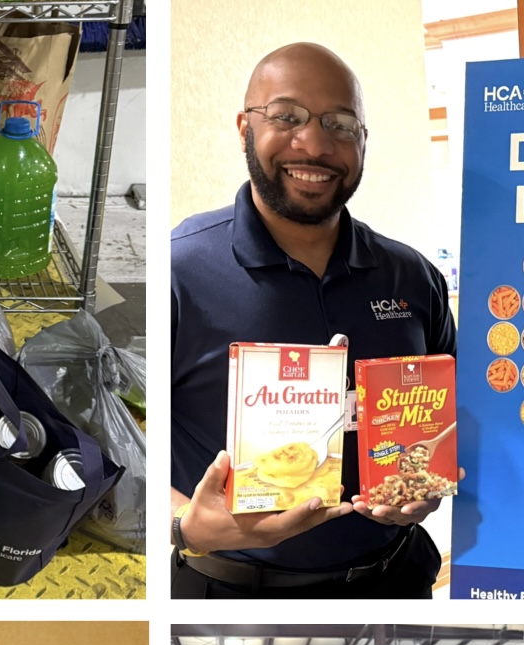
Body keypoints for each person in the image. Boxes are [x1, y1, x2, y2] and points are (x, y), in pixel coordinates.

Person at [170, 42, 457, 599]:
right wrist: (181, 522)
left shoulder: (411, 277)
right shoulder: (180, 273)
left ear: (363, 141)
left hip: (394, 579)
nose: (315, 144)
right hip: (232, 593)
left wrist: (429, 482)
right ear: (244, 128)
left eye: (340, 124)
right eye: (286, 117)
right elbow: (117, 442)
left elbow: (454, 413)